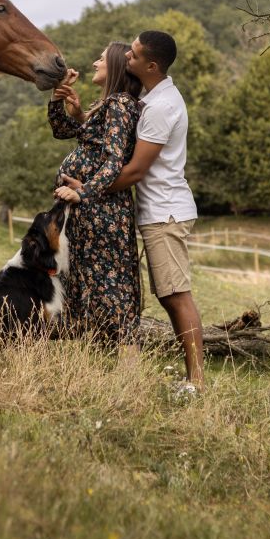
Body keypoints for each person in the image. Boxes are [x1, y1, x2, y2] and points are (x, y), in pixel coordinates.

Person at [61, 30, 203, 388]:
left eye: (134, 55)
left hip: (165, 211)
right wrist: (79, 115)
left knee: (175, 295)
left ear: (151, 66)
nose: (127, 57)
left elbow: (135, 169)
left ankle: (197, 381)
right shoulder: (154, 99)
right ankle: (191, 377)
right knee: (168, 294)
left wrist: (87, 190)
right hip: (157, 209)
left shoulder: (159, 108)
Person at [47, 42, 143, 345]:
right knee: (84, 279)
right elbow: (62, 130)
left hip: (103, 210)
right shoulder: (108, 106)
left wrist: (83, 193)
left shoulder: (120, 104)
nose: (94, 63)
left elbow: (115, 160)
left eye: (100, 59)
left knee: (111, 286)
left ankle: (128, 360)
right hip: (90, 209)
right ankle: (91, 348)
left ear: (114, 66)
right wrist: (60, 101)